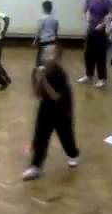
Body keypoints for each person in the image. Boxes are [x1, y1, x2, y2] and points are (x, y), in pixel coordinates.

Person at [22, 45, 79, 181]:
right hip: (46, 107)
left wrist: (43, 81)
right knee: (40, 136)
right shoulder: (42, 70)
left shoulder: (60, 74)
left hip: (62, 110)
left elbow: (56, 97)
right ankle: (36, 166)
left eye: (51, 53)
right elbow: (37, 94)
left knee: (66, 136)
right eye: (45, 53)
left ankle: (73, 154)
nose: (46, 55)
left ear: (57, 57)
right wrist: (35, 80)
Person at [78, 0, 112, 88]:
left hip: (101, 32)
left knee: (100, 55)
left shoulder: (108, 2)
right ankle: (89, 75)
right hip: (91, 30)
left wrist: (103, 24)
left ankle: (102, 78)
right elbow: (83, 11)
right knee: (88, 54)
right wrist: (86, 17)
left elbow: (111, 15)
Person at [34, 0, 59, 66]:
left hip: (43, 41)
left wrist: (35, 41)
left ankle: (38, 74)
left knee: (40, 59)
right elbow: (56, 31)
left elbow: (39, 31)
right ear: (51, 8)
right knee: (50, 59)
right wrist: (56, 40)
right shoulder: (55, 19)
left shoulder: (41, 19)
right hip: (52, 41)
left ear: (43, 8)